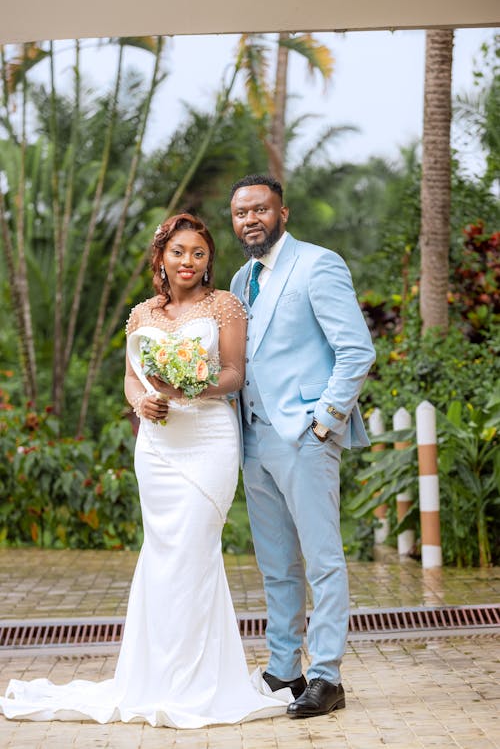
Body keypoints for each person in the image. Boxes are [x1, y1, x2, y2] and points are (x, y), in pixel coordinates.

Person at [0, 213, 291, 728]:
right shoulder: (141, 315)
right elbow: (133, 381)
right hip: (157, 447)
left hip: (208, 440)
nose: (188, 261)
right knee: (161, 554)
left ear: (208, 261)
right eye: (179, 251)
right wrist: (143, 403)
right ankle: (154, 678)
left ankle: (202, 681)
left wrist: (189, 389)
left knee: (196, 551)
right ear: (162, 256)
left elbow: (233, 373)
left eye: (198, 253)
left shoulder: (224, 305)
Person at [229, 175, 376, 719]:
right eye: (241, 213)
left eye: (261, 210)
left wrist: (325, 421)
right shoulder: (242, 280)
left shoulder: (319, 264)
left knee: (321, 560)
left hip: (305, 438)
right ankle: (285, 667)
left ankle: (327, 676)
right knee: (275, 564)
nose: (251, 220)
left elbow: (356, 350)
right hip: (254, 440)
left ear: (282, 214)